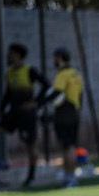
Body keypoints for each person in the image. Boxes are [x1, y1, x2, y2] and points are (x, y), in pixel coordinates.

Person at [0, 43, 50, 186]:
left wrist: (37, 103)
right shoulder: (10, 73)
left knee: (30, 145)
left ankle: (31, 176)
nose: (8, 56)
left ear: (18, 55)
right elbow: (8, 94)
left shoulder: (30, 70)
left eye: (11, 53)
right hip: (13, 113)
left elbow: (47, 85)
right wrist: (1, 110)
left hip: (27, 115)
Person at [39, 48, 84, 188]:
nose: (54, 61)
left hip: (64, 112)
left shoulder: (63, 74)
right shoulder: (76, 74)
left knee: (67, 146)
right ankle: (70, 176)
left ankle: (69, 177)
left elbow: (57, 93)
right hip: (74, 112)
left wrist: (39, 104)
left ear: (59, 58)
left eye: (55, 58)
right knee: (71, 145)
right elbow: (81, 96)